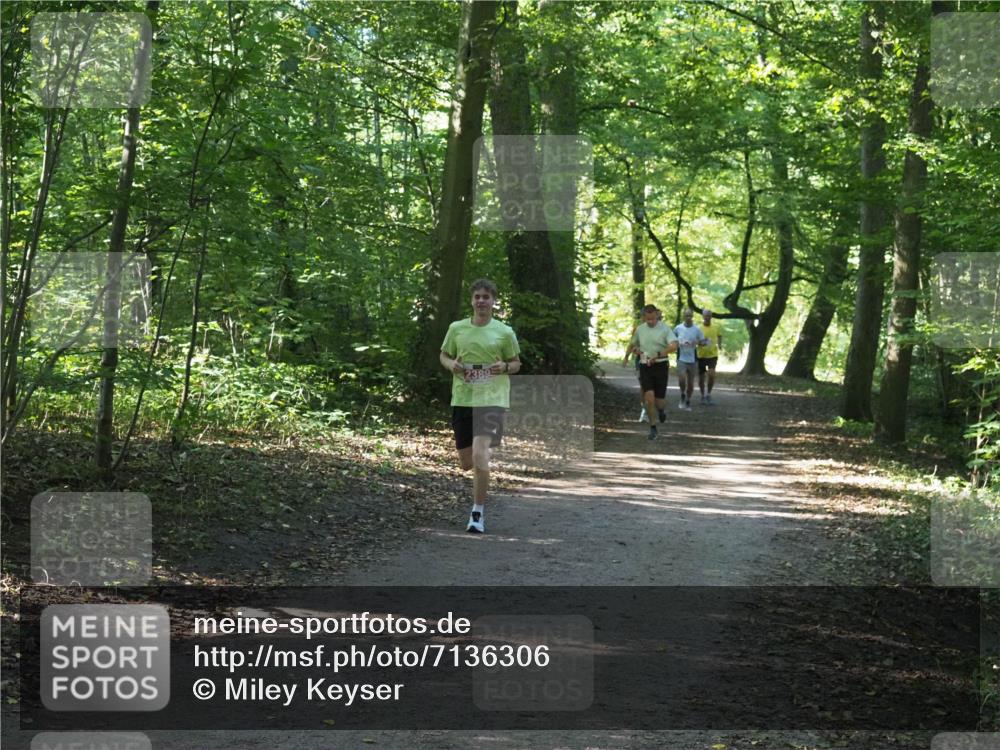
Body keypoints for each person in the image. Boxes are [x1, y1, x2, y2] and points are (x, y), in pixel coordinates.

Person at [439, 279, 521, 534]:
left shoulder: (504, 332)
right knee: (466, 463)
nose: (482, 301)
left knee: (479, 454)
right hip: (463, 398)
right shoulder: (456, 329)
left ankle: (477, 513)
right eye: (478, 297)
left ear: (494, 301)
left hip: (492, 399)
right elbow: (444, 355)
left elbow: (516, 363)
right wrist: (451, 365)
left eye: (486, 297)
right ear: (472, 300)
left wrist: (504, 366)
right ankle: (481, 461)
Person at [623, 304, 677, 440]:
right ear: (643, 317)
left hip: (661, 365)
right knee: (649, 398)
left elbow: (674, 345)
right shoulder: (640, 329)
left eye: (653, 319)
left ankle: (661, 410)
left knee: (659, 401)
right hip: (645, 365)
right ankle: (653, 428)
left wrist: (658, 354)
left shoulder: (665, 329)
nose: (651, 322)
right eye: (648, 319)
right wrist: (628, 355)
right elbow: (632, 344)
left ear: (657, 315)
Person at [674, 308, 708, 410]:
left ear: (692, 316)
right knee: (682, 379)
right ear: (683, 316)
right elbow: (672, 340)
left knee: (690, 384)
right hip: (681, 358)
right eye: (686, 315)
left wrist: (697, 342)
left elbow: (705, 342)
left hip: (693, 359)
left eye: (690, 315)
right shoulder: (678, 328)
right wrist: (678, 343)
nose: (688, 317)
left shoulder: (697, 329)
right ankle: (682, 394)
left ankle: (688, 400)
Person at [697, 308, 723, 405]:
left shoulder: (715, 327)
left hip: (712, 355)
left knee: (711, 374)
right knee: (701, 378)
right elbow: (695, 340)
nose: (707, 317)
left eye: (709, 315)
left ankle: (708, 394)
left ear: (711, 317)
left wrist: (719, 345)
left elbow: (719, 335)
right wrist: (700, 343)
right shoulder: (698, 328)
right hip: (701, 355)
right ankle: (702, 395)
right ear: (703, 316)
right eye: (706, 316)